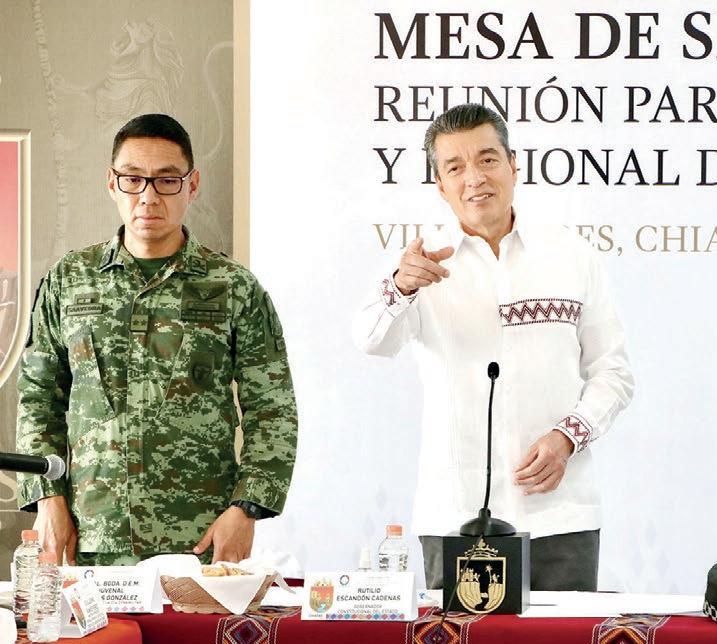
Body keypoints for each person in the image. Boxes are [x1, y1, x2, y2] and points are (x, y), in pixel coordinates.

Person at [353, 103, 634, 591]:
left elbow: (614, 372)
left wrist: (567, 438)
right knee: (457, 637)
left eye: (487, 160)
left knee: (564, 638)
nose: (474, 179)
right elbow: (371, 340)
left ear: (513, 166)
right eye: (455, 167)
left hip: (559, 514)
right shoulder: (420, 263)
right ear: (440, 185)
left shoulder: (571, 255)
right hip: (455, 515)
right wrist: (400, 287)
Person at [17, 113, 298, 565]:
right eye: (133, 179)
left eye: (167, 181)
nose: (148, 197)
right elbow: (38, 398)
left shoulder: (233, 287)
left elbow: (273, 408)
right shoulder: (70, 281)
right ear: (112, 183)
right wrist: (48, 499)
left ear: (192, 185)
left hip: (202, 539)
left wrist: (246, 509)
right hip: (94, 536)